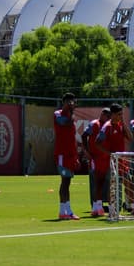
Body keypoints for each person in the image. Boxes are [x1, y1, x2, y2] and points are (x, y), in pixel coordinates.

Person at [97, 103, 134, 215]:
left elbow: (130, 138)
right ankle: (112, 209)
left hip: (122, 159)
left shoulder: (120, 125)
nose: (121, 116)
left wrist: (123, 123)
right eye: (119, 114)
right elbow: (97, 143)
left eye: (122, 114)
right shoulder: (107, 127)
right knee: (113, 185)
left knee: (129, 183)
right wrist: (110, 154)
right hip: (112, 161)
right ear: (113, 114)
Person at [54, 92, 81, 220]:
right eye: (69, 102)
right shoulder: (58, 114)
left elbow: (72, 138)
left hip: (70, 155)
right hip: (62, 154)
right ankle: (62, 210)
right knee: (64, 181)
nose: (72, 104)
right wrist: (70, 111)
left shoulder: (72, 117)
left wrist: (75, 156)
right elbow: (64, 123)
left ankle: (67, 210)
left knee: (68, 182)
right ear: (63, 102)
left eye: (73, 102)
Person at [82, 107, 111, 217]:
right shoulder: (94, 124)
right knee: (96, 181)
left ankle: (104, 205)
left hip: (106, 157)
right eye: (106, 115)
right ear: (102, 114)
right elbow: (84, 135)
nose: (108, 118)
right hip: (95, 157)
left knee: (106, 181)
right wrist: (86, 151)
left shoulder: (108, 126)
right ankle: (95, 206)